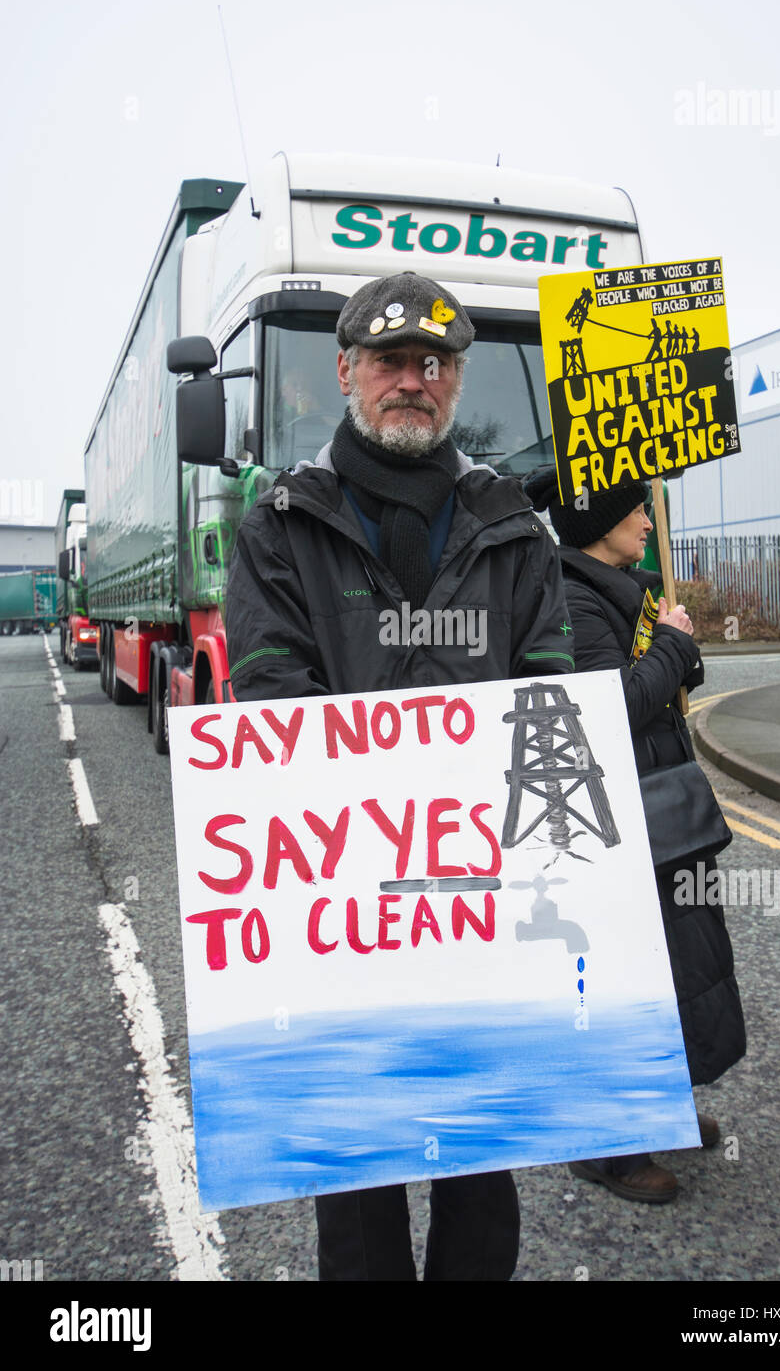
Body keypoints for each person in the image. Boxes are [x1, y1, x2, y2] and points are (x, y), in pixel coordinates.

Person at [225, 271, 575, 1279]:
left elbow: (549, 694)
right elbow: (269, 698)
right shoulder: (279, 525)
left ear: (457, 380)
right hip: (342, 909)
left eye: (434, 363)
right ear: (345, 371)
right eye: (388, 361)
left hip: (484, 903)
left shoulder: (514, 526)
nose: (411, 381)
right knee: (358, 1181)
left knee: (481, 1168)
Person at [522, 467, 746, 1204]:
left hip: (657, 811)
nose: (649, 524)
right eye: (635, 512)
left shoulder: (621, 587)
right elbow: (607, 712)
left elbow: (658, 682)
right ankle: (608, 1150)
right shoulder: (573, 600)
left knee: (668, 965)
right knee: (623, 975)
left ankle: (659, 1111)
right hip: (618, 825)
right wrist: (671, 651)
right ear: (596, 525)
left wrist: (679, 646)